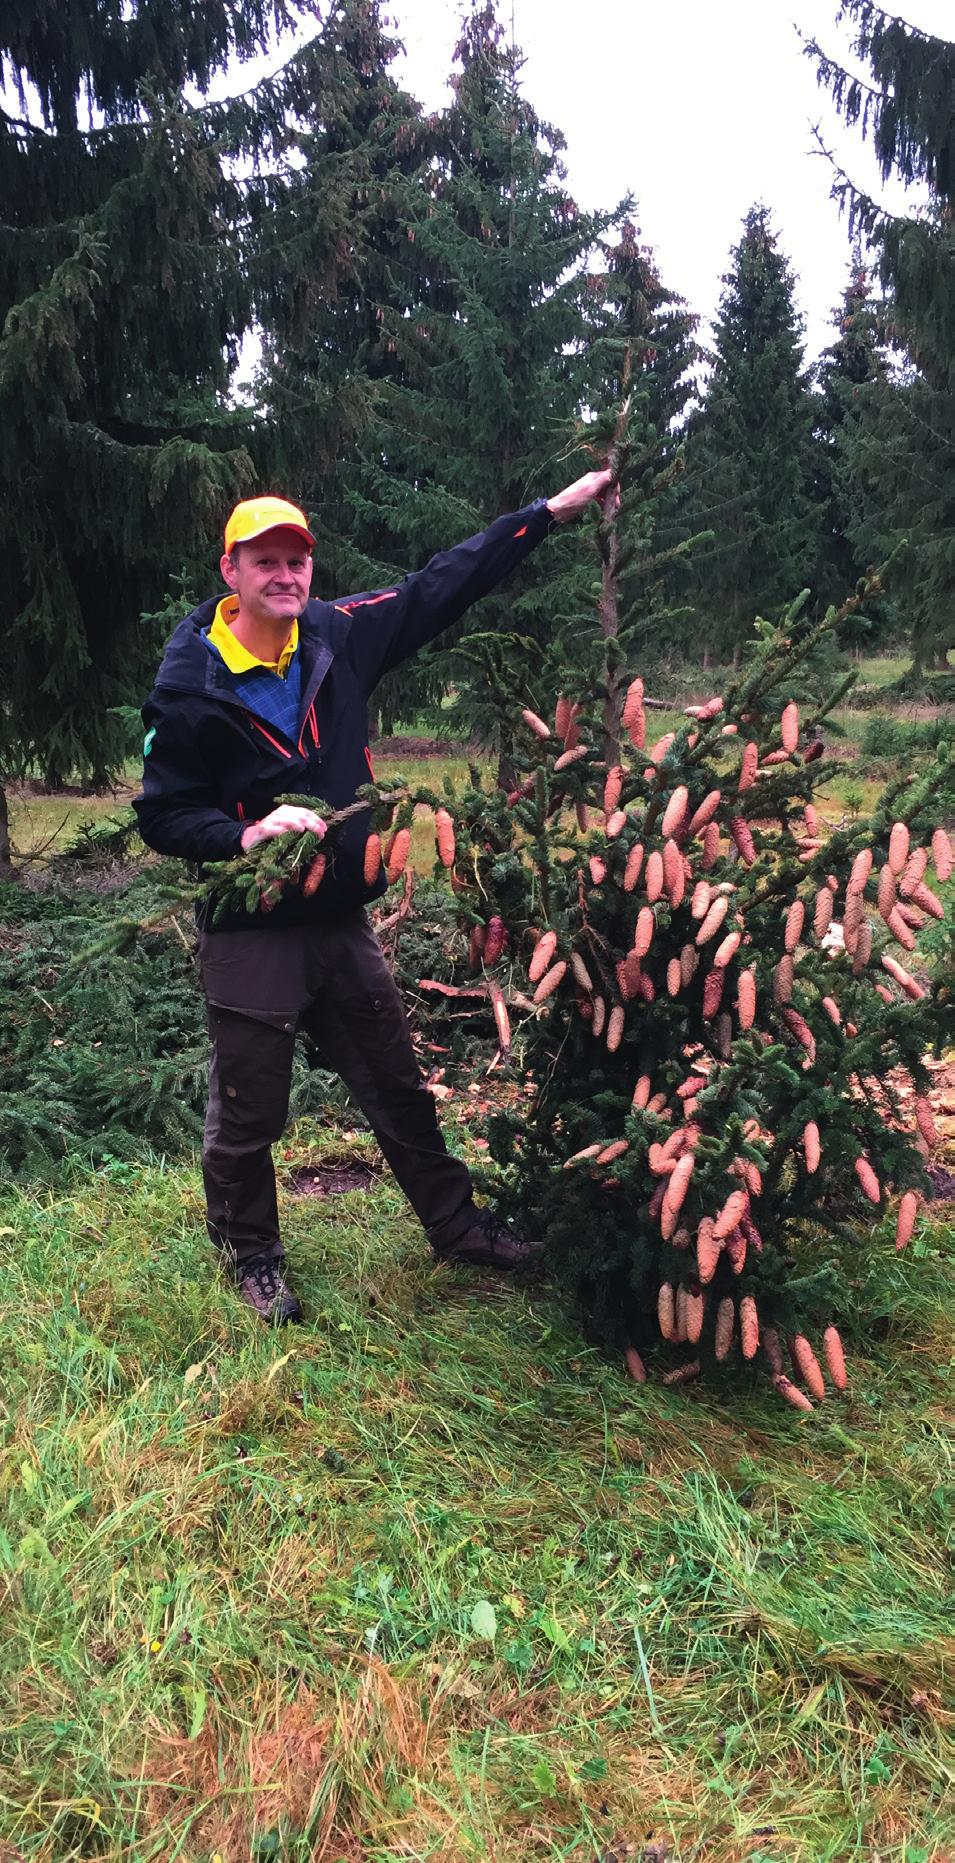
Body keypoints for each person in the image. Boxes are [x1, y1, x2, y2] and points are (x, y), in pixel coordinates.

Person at [133, 471, 612, 1322]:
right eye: (266, 561)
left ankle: (460, 1231)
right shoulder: (189, 686)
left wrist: (543, 516)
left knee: (397, 1085)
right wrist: (241, 834)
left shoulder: (337, 635)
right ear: (231, 572)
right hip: (252, 930)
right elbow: (163, 815)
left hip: (340, 917)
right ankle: (253, 1258)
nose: (287, 575)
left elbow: (438, 585)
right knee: (249, 1110)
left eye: (297, 561)